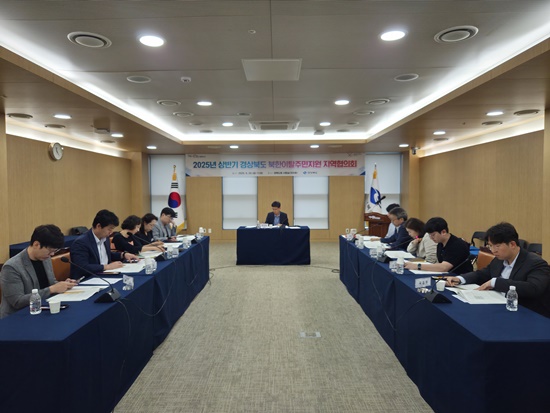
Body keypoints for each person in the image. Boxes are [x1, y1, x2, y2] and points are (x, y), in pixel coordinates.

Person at [446, 222, 550, 317]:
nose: (493, 250)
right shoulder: (499, 259)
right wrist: (460, 279)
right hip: (498, 308)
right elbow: (482, 274)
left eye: (497, 246)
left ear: (512, 244)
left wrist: (496, 282)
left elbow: (533, 288)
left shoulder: (535, 263)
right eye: (490, 246)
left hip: (526, 314)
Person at [0, 225, 77, 318]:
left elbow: (50, 283)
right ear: (36, 244)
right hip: (18, 316)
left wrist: (63, 284)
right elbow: (17, 301)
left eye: (54, 251)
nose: (52, 254)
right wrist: (52, 289)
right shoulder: (12, 267)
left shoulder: (45, 258)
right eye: (50, 251)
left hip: (43, 309)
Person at [70, 209, 138, 279]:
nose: (111, 232)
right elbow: (82, 267)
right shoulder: (81, 242)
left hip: (105, 275)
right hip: (88, 279)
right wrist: (106, 267)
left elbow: (105, 255)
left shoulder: (105, 238)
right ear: (99, 226)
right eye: (109, 229)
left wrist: (123, 255)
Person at [405, 217, 472, 274]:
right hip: (447, 276)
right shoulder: (440, 243)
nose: (431, 238)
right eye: (429, 235)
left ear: (443, 232)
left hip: (461, 278)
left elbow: (444, 267)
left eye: (433, 235)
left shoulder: (457, 245)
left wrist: (417, 266)